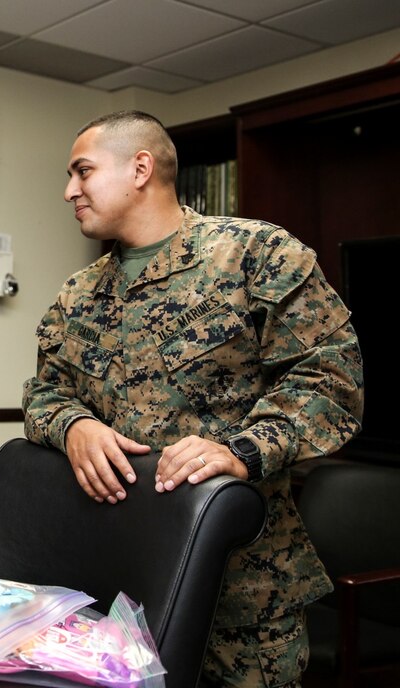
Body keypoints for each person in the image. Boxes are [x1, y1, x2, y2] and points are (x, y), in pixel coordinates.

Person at [23, 111, 363, 687]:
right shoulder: (78, 293)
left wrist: (242, 450)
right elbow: (45, 392)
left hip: (240, 593)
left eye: (82, 171)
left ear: (140, 168)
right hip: (116, 580)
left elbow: (330, 381)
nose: (68, 191)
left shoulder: (255, 254)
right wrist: (72, 425)